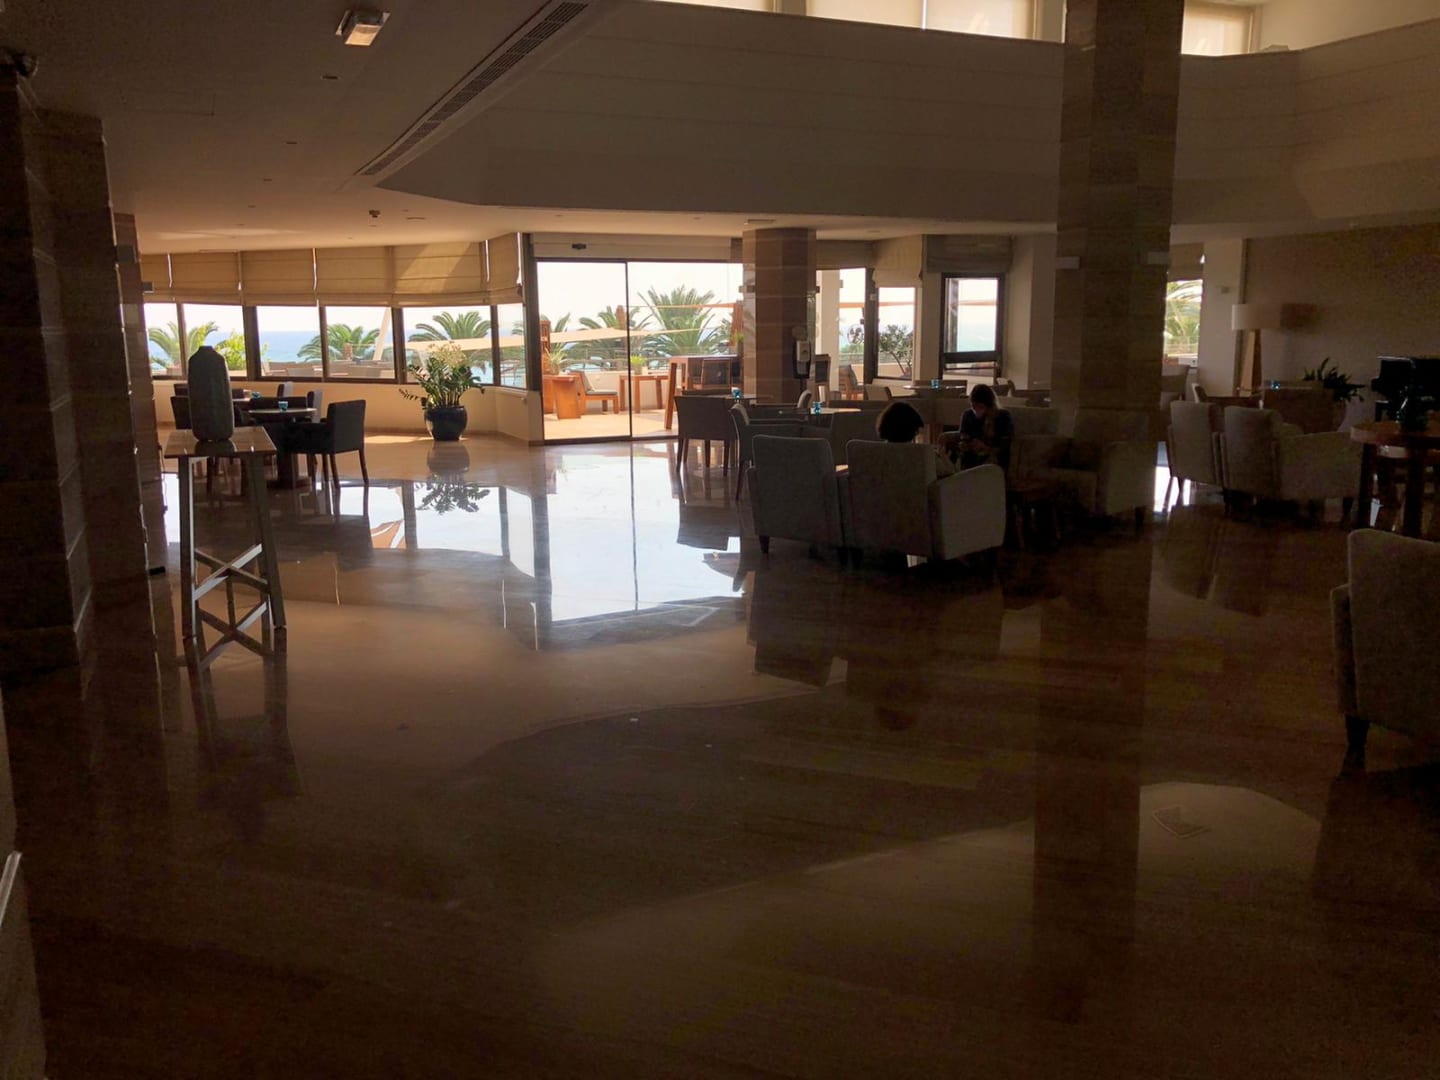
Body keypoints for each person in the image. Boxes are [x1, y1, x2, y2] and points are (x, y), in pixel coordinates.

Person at [875, 400, 955, 476]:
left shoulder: (876, 452)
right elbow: (949, 471)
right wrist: (942, 455)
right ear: (912, 431)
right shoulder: (924, 454)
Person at [946, 384, 1014, 471]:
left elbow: (1005, 446)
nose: (976, 411)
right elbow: (963, 435)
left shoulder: (1003, 417)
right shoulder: (968, 415)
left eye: (981, 407)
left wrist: (987, 448)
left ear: (990, 406)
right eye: (974, 407)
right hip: (970, 458)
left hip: (993, 459)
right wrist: (965, 444)